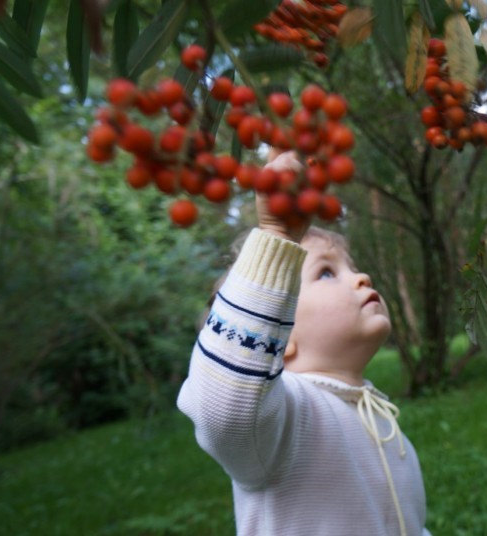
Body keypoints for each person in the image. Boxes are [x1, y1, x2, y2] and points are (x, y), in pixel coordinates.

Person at [177, 151, 430, 535]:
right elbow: (224, 411)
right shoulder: (284, 421)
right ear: (281, 334)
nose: (360, 277)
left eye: (353, 266)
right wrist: (277, 237)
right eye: (327, 273)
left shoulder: (381, 421)